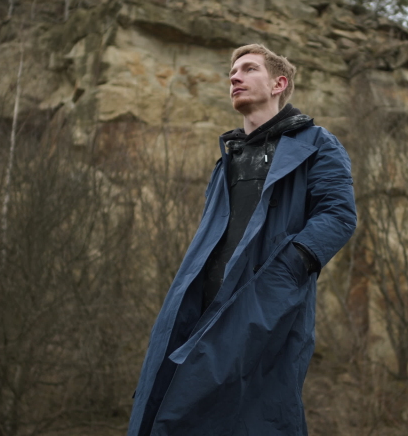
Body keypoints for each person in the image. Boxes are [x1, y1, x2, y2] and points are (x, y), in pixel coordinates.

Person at [127, 44, 357, 435]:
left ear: (278, 83)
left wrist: (286, 272)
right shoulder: (228, 160)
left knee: (255, 413)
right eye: (232, 72)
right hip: (199, 305)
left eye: (248, 69)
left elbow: (339, 215)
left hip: (266, 304)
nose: (234, 77)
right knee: (172, 405)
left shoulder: (317, 144)